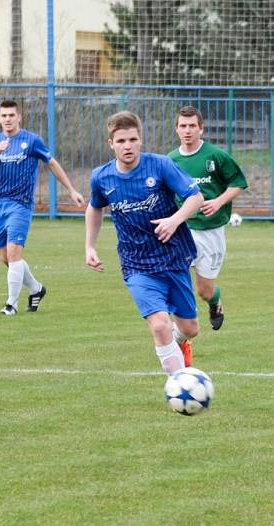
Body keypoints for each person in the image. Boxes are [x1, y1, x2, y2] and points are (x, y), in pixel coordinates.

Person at [85, 111, 204, 375]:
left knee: (190, 328)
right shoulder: (101, 177)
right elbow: (94, 208)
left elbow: (195, 197)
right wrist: (90, 246)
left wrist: (174, 220)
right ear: (111, 144)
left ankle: (180, 342)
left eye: (132, 140)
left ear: (140, 140)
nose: (127, 146)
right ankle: (178, 382)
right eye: (121, 141)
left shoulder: (160, 166)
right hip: (136, 263)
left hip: (173, 257)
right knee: (160, 325)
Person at [0, 99, 85, 315]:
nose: (8, 119)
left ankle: (11, 305)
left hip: (21, 204)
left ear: (19, 117)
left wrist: (71, 190)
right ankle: (36, 289)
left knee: (15, 254)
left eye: (11, 115)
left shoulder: (32, 140)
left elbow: (52, 163)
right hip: (0, 205)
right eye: (4, 116)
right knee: (6, 258)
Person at [168, 106, 248, 331]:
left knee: (204, 290)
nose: (187, 130)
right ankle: (182, 328)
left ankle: (215, 302)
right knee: (176, 279)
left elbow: (238, 183)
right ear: (176, 129)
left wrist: (218, 201)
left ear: (201, 129)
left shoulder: (216, 156)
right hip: (182, 230)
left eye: (192, 125)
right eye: (183, 126)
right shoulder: (170, 160)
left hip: (211, 232)